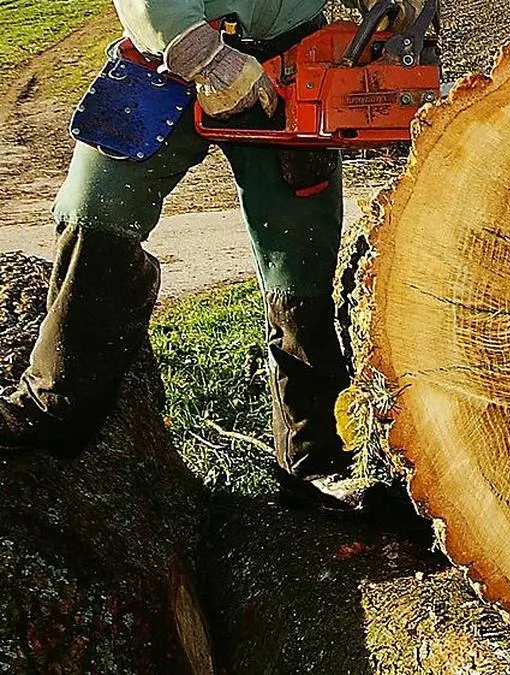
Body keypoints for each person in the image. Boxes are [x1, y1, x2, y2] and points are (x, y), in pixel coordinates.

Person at [0, 0, 372, 508]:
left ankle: (316, 457)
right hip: (170, 53)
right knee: (96, 209)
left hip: (295, 56)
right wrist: (201, 54)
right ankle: (52, 406)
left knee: (300, 255)